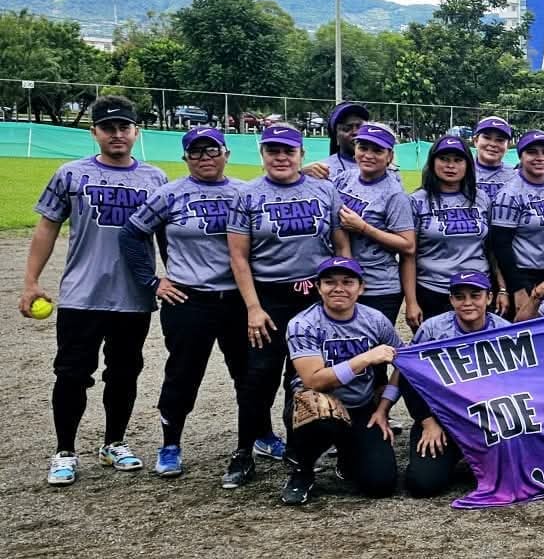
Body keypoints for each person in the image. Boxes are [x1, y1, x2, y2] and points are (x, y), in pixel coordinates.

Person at [23, 96, 167, 486]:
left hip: (133, 296)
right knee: (71, 374)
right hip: (81, 294)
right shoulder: (71, 174)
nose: (117, 134)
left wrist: (171, 277)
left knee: (124, 374)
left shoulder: (155, 179)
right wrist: (31, 282)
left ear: (136, 132)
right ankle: (64, 451)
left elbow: (169, 235)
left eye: (124, 127)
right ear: (94, 132)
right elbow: (47, 226)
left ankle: (114, 443)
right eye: (108, 128)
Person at [226, 123, 350, 489]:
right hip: (269, 299)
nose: (281, 157)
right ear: (262, 154)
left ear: (301, 154)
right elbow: (238, 257)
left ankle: (299, 453)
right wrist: (253, 307)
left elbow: (341, 244)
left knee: (304, 378)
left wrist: (342, 289)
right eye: (273, 150)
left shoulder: (324, 190)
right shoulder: (247, 194)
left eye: (288, 151)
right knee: (258, 378)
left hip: (314, 299)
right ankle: (244, 451)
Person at [120, 127, 243, 480]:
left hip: (236, 300)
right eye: (196, 152)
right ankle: (170, 444)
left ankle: (259, 435)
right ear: (185, 158)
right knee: (183, 374)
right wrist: (153, 280)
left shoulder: (244, 192)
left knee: (248, 373)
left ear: (226, 154)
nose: (205, 157)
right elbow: (132, 233)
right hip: (189, 299)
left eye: (212, 150)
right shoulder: (170, 194)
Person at [280, 257, 402, 505]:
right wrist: (365, 358)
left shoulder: (375, 319)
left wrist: (383, 408)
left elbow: (404, 363)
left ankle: (348, 455)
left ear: (361, 287)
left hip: (361, 406)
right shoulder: (303, 323)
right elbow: (314, 381)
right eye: (330, 282)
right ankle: (303, 469)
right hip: (317, 406)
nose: (339, 288)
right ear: (318, 287)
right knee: (320, 416)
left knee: (380, 484)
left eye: (348, 282)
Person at [402, 271, 512, 496]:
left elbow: (518, 382)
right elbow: (409, 377)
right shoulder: (432, 330)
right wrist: (428, 422)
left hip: (487, 418)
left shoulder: (504, 330)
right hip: (443, 417)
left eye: (475, 295)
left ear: (489, 298)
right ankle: (451, 454)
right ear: (451, 300)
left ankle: (480, 454)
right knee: (424, 484)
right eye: (460, 297)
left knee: (513, 475)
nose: (467, 302)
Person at [403, 136, 495, 327]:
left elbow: (491, 249)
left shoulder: (481, 198)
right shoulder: (417, 201)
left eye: (458, 160)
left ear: (468, 164)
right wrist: (411, 302)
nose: (450, 166)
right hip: (433, 290)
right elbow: (408, 254)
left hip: (476, 289)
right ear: (432, 162)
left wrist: (501, 289)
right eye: (444, 159)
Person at [332, 121, 415, 323]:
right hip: (344, 281)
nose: (368, 155)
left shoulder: (394, 194)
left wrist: (364, 228)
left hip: (378, 287)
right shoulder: (344, 179)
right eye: (363, 148)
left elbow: (408, 245)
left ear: (389, 156)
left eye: (377, 150)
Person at [489, 130, 544, 321]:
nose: (540, 158)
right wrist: (517, 288)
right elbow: (500, 245)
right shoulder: (509, 194)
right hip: (526, 275)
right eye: (532, 152)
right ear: (521, 156)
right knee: (527, 329)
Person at [303, 101, 370, 180]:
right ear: (336, 138)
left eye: (360, 127)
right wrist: (300, 174)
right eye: (347, 129)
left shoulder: (380, 166)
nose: (355, 132)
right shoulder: (321, 171)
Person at [471, 116, 516, 199]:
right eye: (487, 138)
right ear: (476, 141)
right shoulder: (461, 172)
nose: (493, 144)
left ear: (508, 145)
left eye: (500, 140)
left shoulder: (516, 175)